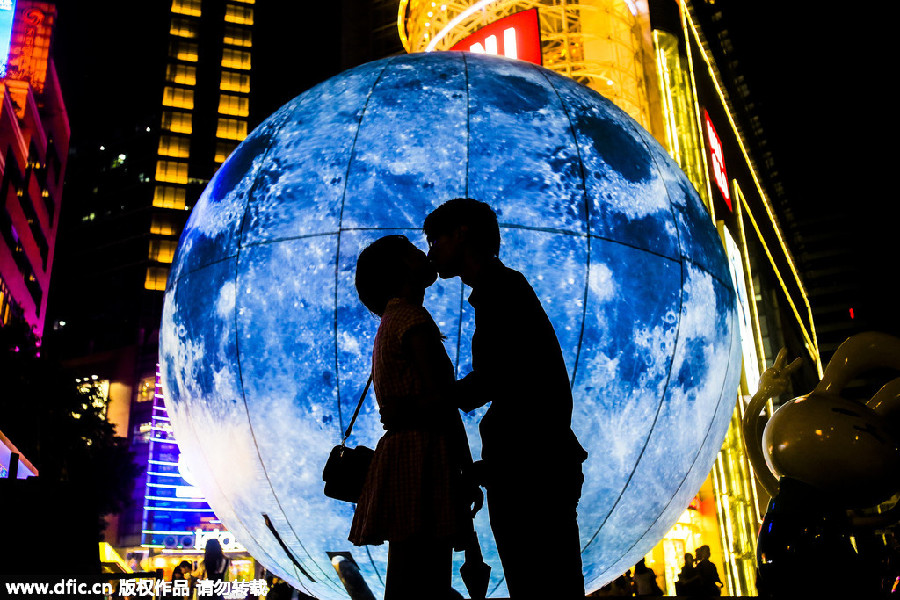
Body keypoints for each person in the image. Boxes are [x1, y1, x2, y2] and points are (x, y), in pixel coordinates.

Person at [424, 198, 588, 599]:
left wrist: (436, 393)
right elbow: (522, 384)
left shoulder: (500, 291)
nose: (431, 254)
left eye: (435, 241)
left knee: (537, 580)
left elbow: (495, 379)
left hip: (530, 475)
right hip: (534, 466)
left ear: (462, 233)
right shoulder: (502, 289)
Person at [348, 235, 476, 600]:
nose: (425, 253)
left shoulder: (392, 318)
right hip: (424, 454)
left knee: (408, 573)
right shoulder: (412, 318)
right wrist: (465, 469)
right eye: (413, 250)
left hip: (404, 453)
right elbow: (442, 400)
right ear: (402, 267)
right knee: (425, 573)